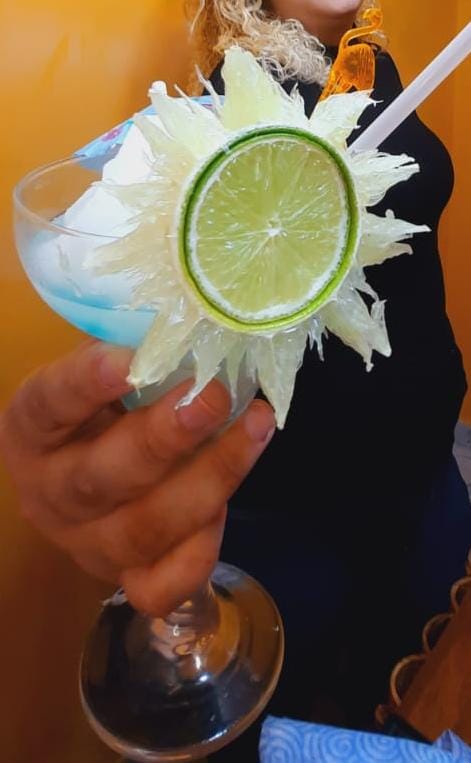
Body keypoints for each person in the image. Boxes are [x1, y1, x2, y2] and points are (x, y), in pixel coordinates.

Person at [1, 0, 470, 758]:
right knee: (286, 712)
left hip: (428, 472)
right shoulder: (233, 97)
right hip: (306, 506)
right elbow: (134, 265)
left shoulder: (367, 59)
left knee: (415, 689)